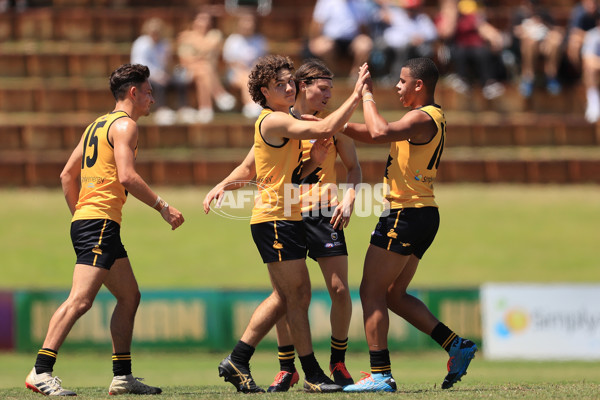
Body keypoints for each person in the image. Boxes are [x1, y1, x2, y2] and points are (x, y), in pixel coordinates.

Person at [24, 63, 185, 396]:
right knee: (81, 301)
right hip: (98, 223)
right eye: (149, 92)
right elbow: (126, 176)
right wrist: (162, 207)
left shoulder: (96, 125)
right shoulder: (125, 127)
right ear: (133, 93)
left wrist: (80, 214)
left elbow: (67, 175)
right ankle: (40, 371)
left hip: (93, 221)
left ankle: (122, 377)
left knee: (129, 296)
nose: (152, 99)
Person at [203, 59, 362, 391]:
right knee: (297, 295)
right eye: (281, 85)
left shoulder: (283, 120)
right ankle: (311, 375)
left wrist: (314, 163)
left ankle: (239, 360)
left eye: (291, 82)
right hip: (275, 218)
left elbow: (262, 171)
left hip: (284, 217)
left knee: (287, 296)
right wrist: (357, 94)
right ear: (264, 92)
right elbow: (322, 128)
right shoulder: (274, 120)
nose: (289, 88)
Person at [338, 57, 477, 392]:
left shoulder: (421, 117)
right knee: (393, 294)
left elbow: (378, 130)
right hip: (423, 213)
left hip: (404, 213)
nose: (397, 86)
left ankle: (380, 375)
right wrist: (328, 125)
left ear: (419, 85)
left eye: (402, 81)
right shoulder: (425, 118)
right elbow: (373, 135)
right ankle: (455, 345)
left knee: (370, 291)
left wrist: (366, 95)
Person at [436, 0, 506, 100]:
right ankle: (461, 80)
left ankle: (488, 84)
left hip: (474, 48)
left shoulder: (471, 17)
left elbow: (484, 29)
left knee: (482, 52)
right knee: (460, 52)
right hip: (455, 49)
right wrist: (453, 17)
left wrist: (495, 38)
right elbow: (446, 34)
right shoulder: (444, 18)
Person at [131, 17, 195, 125]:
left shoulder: (165, 44)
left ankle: (183, 109)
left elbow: (167, 63)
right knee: (159, 84)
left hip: (163, 74)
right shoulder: (141, 43)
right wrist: (157, 75)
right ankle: (161, 110)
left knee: (181, 82)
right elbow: (138, 64)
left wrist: (173, 73)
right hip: (144, 76)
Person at [177, 10, 236, 123]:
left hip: (208, 72)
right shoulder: (186, 35)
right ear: (194, 21)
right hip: (188, 71)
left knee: (203, 73)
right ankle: (219, 95)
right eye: (201, 19)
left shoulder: (214, 34)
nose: (204, 22)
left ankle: (205, 109)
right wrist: (200, 57)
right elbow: (185, 60)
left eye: (207, 20)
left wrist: (193, 43)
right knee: (204, 67)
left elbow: (208, 47)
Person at [511, 0, 565, 98]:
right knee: (530, 42)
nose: (532, 6)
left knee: (555, 43)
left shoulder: (544, 14)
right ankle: (528, 77)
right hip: (524, 46)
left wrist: (546, 32)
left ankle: (551, 76)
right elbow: (515, 32)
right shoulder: (519, 15)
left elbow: (555, 30)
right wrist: (527, 29)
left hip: (543, 44)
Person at [307, 0, 375, 76]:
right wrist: (313, 41)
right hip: (330, 40)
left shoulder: (359, 3)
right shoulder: (326, 2)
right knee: (324, 47)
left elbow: (363, 27)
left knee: (365, 46)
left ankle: (356, 75)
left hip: (353, 41)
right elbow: (317, 24)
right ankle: (333, 75)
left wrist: (364, 37)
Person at [222, 12, 267, 119]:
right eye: (245, 22)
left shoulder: (260, 40)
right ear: (239, 23)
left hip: (255, 71)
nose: (248, 25)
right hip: (234, 73)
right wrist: (242, 67)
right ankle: (250, 104)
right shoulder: (232, 40)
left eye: (250, 22)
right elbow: (230, 61)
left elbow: (263, 59)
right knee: (245, 76)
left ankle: (255, 106)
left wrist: (255, 66)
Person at [582, 12, 600, 122]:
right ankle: (594, 104)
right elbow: (587, 59)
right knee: (590, 69)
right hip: (596, 70)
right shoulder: (592, 35)